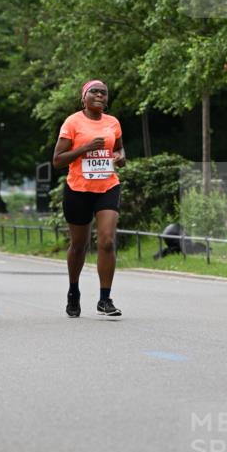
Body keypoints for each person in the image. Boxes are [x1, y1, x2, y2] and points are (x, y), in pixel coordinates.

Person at [52, 79, 126, 317]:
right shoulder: (73, 122)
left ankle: (105, 298)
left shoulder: (113, 122)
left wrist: (120, 157)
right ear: (83, 97)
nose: (100, 95)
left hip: (107, 186)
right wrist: (84, 148)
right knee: (79, 245)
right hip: (78, 189)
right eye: (94, 92)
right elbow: (58, 160)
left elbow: (119, 149)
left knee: (106, 240)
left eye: (104, 93)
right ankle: (74, 291)